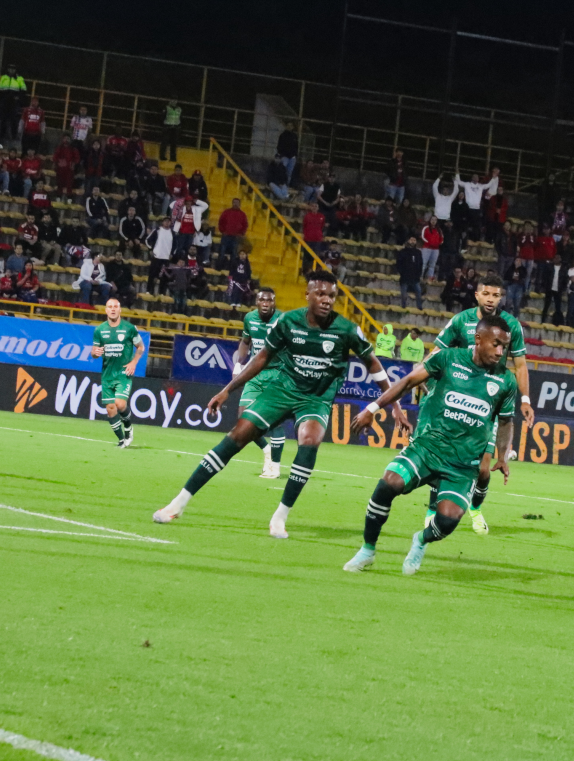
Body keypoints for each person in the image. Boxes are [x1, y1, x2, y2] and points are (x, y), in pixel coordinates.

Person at [153, 270, 404, 537]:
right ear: (307, 295)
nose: (326, 300)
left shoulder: (346, 329)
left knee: (309, 441)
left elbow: (374, 365)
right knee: (237, 435)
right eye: (320, 294)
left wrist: (394, 405)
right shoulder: (288, 322)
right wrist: (227, 390)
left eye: (331, 296)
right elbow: (261, 358)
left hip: (315, 399)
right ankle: (178, 503)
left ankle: (279, 517)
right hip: (282, 390)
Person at [343, 316, 517, 575]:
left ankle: (421, 540)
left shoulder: (506, 380)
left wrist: (502, 455)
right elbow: (408, 381)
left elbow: (505, 422)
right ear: (478, 339)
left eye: (505, 347)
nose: (501, 352)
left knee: (446, 521)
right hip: (427, 448)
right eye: (496, 344)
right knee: (389, 482)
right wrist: (373, 408)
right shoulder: (448, 358)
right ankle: (367, 550)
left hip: (462, 464)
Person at [424, 274, 533, 536]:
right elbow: (436, 353)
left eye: (496, 295)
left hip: (490, 400)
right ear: (477, 295)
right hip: (459, 398)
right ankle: (431, 511)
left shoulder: (510, 325)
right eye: (486, 294)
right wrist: (429, 381)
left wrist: (526, 398)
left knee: (484, 468)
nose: (490, 299)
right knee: (443, 456)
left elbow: (520, 365)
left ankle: (475, 508)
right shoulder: (461, 321)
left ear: (501, 298)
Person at [231, 288, 287, 479]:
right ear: (256, 301)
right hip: (255, 373)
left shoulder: (283, 319)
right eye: (261, 300)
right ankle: (267, 450)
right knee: (243, 419)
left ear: (274, 302)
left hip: (277, 374)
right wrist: (239, 364)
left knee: (275, 423)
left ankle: (275, 467)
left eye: (269, 300)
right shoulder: (249, 318)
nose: (265, 303)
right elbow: (245, 341)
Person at [90, 298, 145, 448]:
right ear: (106, 310)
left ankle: (128, 429)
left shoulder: (129, 328)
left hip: (123, 373)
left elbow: (140, 346)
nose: (113, 309)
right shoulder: (99, 330)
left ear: (120, 310)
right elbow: (94, 353)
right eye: (110, 307)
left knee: (120, 404)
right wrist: (95, 352)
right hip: (107, 374)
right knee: (110, 408)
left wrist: (134, 362)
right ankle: (121, 440)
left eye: (116, 307)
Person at [145, 217, 174, 295]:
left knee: (164, 277)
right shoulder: (157, 230)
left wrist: (172, 253)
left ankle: (162, 292)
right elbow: (147, 240)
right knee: (152, 274)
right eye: (165, 221)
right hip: (156, 257)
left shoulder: (173, 233)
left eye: (168, 221)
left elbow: (175, 245)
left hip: (166, 258)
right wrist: (150, 249)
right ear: (162, 222)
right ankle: (148, 290)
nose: (167, 223)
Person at [395, 235, 424, 311]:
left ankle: (419, 306)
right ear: (408, 240)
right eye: (411, 240)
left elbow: (420, 264)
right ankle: (403, 305)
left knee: (419, 292)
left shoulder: (418, 252)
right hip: (405, 277)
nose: (413, 241)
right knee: (404, 294)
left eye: (414, 240)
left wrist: (419, 274)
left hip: (415, 277)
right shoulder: (402, 252)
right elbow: (399, 263)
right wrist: (401, 272)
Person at [419, 215, 442, 281]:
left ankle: (430, 277)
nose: (433, 221)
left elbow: (441, 238)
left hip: (436, 249)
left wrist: (438, 243)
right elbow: (423, 236)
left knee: (432, 264)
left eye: (435, 220)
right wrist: (428, 242)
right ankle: (420, 276)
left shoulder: (439, 230)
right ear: (430, 220)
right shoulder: (426, 228)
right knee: (424, 263)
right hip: (427, 248)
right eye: (432, 220)